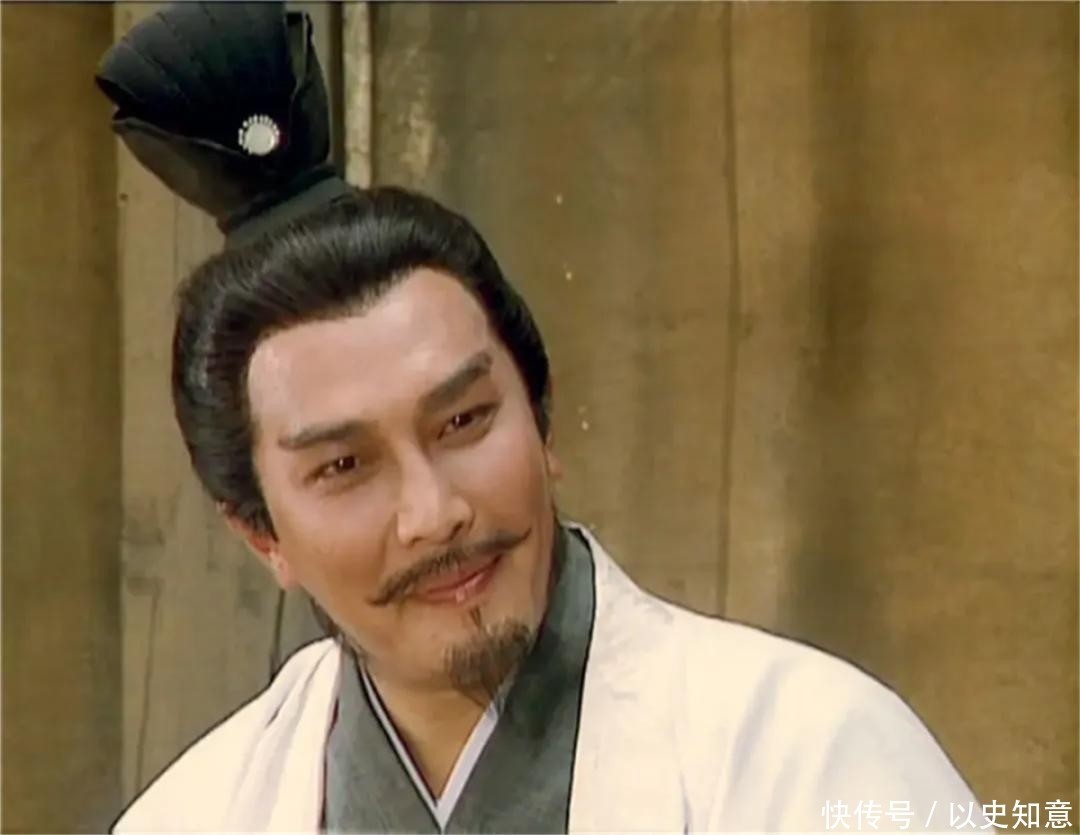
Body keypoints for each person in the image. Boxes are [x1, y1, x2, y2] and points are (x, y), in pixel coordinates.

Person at [97, 4, 983, 832]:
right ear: (262, 535)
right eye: (343, 466)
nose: (435, 511)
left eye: (464, 421)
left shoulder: (811, 755)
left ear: (544, 420)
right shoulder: (196, 814)